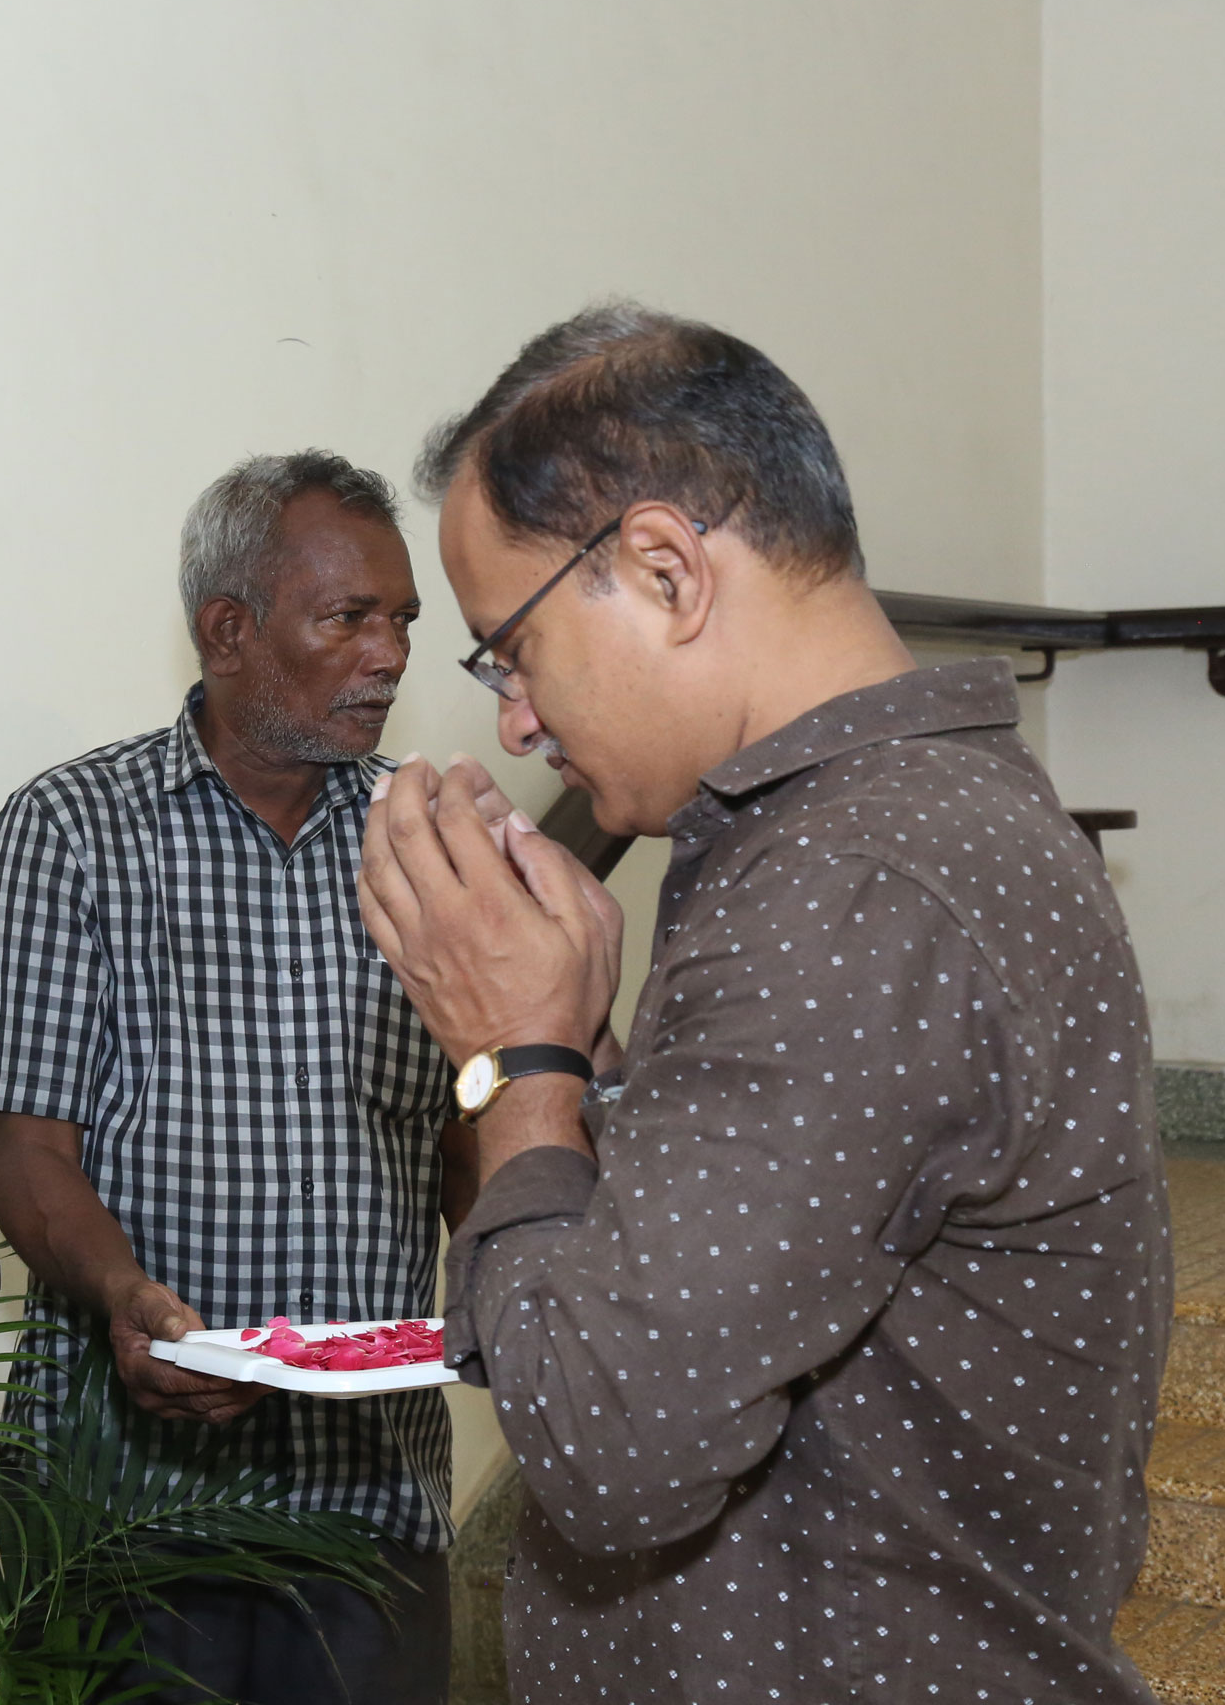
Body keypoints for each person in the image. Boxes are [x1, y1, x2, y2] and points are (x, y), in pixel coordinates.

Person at [361, 304, 1164, 1701]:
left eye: (510, 653)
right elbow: (754, 1254)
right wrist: (591, 1054)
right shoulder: (892, 831)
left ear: (666, 570)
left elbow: (609, 1444)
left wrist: (514, 1060)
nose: (515, 720)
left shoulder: (847, 887)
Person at [0, 451, 466, 1705]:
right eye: (349, 618)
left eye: (403, 620)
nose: (391, 655)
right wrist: (125, 1296)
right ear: (228, 631)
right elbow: (31, 1153)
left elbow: (471, 1133)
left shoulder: (432, 846)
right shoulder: (73, 832)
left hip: (370, 1510)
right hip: (125, 1516)